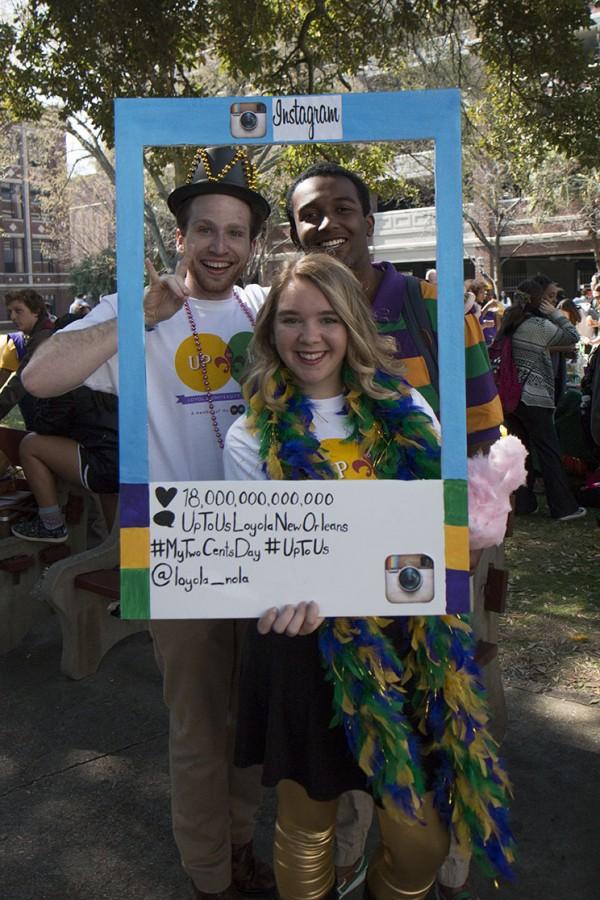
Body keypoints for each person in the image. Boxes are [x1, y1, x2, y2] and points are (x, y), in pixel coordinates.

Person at [22, 146, 275, 900]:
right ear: (180, 238)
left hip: (268, 541)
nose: (221, 246)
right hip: (179, 545)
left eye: (235, 232)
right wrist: (136, 318)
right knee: (199, 727)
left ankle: (239, 843)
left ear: (255, 244)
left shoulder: (265, 310)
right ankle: (210, 876)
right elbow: (38, 379)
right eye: (206, 230)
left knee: (251, 726)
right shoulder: (141, 306)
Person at [224, 253, 514, 900]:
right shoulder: (249, 436)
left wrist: (464, 529)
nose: (310, 336)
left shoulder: (407, 405)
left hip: (410, 643)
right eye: (292, 320)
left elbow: (433, 528)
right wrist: (271, 597)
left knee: (419, 841)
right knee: (306, 829)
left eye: (329, 318)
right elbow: (259, 563)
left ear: (353, 325)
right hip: (306, 648)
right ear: (271, 331)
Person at [285, 162, 506, 900]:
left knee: (438, 701)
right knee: (349, 706)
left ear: (369, 221)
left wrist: (473, 533)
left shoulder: (436, 310)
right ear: (293, 232)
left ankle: (437, 854)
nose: (328, 223)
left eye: (342, 208)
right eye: (310, 213)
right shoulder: (290, 316)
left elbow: (483, 437)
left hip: (430, 555)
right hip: (334, 566)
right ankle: (349, 849)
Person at [499, 279, 585, 521]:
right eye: (549, 298)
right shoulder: (536, 325)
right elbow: (572, 335)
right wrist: (555, 313)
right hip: (534, 397)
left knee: (520, 452)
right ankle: (563, 507)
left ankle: (524, 503)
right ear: (540, 301)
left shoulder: (509, 322)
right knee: (549, 452)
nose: (552, 301)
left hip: (511, 399)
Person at [0, 290, 54, 427]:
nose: (12, 317)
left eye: (18, 311)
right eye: (10, 311)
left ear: (36, 311)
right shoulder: (35, 335)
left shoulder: (43, 337)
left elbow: (21, 380)